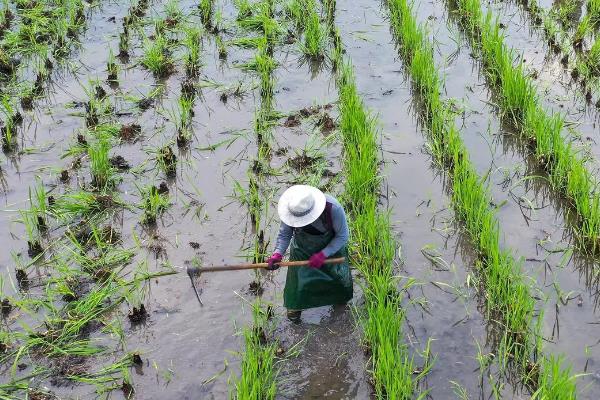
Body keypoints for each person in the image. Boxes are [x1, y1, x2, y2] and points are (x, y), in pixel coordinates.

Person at [265, 185, 353, 323]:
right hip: (302, 250)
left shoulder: (333, 208)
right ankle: (294, 319)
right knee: (297, 289)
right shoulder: (291, 210)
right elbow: (284, 235)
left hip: (332, 251)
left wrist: (324, 254)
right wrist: (277, 254)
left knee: (338, 286)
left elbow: (342, 236)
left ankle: (340, 311)